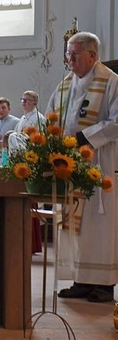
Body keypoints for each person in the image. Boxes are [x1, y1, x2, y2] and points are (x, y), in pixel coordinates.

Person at [47, 32, 118, 303]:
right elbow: (51, 114)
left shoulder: (111, 83)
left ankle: (104, 284)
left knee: (99, 225)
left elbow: (116, 121)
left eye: (75, 54)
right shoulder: (65, 85)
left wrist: (83, 138)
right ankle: (81, 280)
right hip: (71, 165)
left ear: (93, 55)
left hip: (102, 164)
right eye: (68, 54)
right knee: (75, 226)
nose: (70, 59)